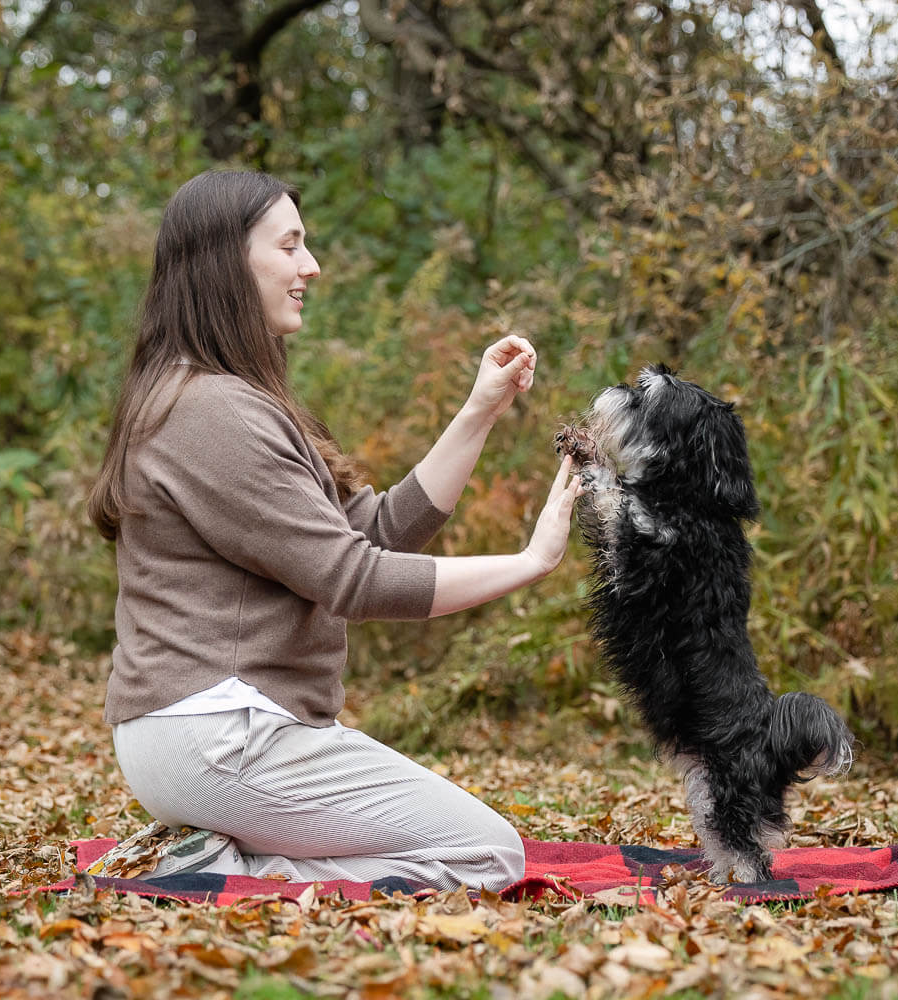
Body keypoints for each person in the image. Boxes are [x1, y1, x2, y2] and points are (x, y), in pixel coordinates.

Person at [84, 170, 582, 890]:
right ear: (226, 263)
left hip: (205, 735)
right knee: (488, 854)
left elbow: (374, 530)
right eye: (289, 246)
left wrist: (479, 412)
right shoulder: (212, 413)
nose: (310, 266)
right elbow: (357, 579)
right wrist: (530, 562)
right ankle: (231, 869)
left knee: (472, 849)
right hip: (219, 737)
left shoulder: (215, 397)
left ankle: (219, 859)